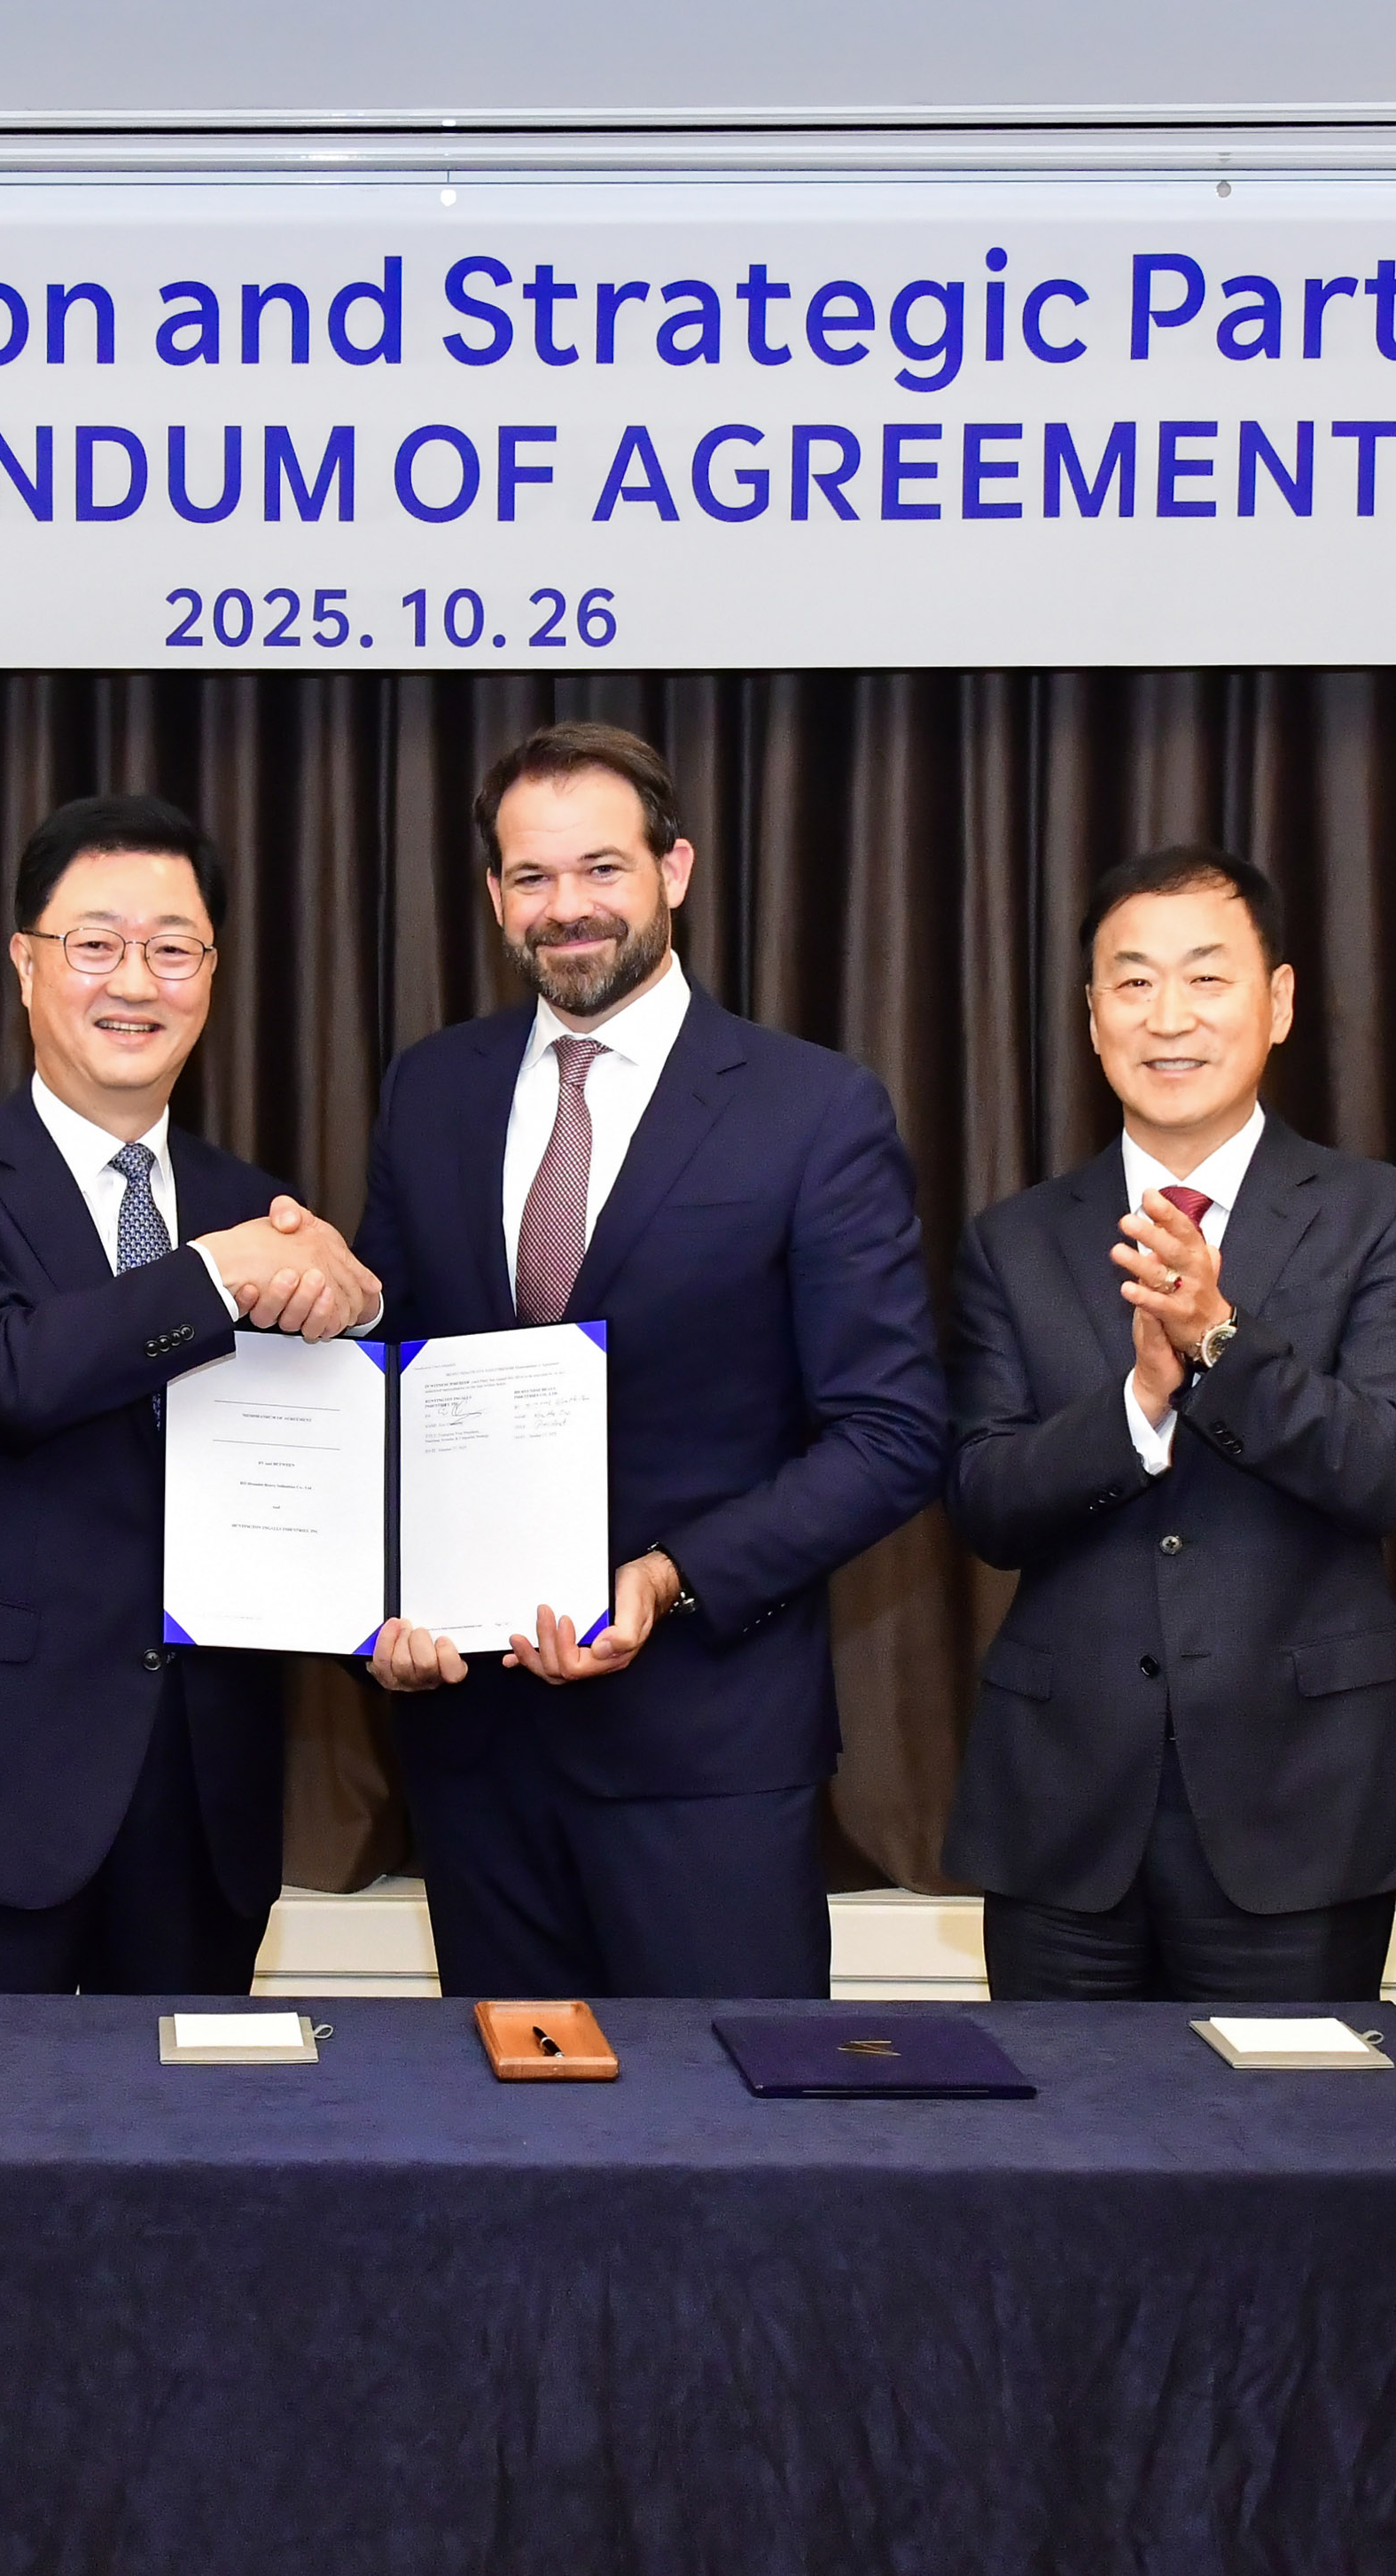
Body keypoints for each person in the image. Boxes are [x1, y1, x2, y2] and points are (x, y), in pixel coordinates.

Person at [352, 722, 944, 1999]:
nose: (566, 906)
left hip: (705, 1760)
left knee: (725, 2117)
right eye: (531, 875)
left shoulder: (811, 1108)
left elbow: (890, 1434)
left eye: (601, 868)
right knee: (503, 2111)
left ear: (674, 869)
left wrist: (671, 1577)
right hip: (473, 1752)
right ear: (494, 893)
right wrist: (373, 1600)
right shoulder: (431, 1091)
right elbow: (385, 1392)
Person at [0, 792, 377, 1993]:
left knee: (185, 2116)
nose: (135, 980)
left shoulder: (261, 1203)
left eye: (173, 948)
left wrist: (384, 1618)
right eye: (95, 944)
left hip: (201, 1800)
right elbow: (7, 1371)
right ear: (25, 963)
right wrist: (217, 1272)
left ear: (212, 975)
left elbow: (307, 1471)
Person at [941, 845, 1396, 2002]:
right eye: (1132, 982)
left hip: (1303, 1800)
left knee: (1284, 2121)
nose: (1167, 1017)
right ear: (1091, 1016)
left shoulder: (1386, 1220)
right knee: (1065, 2120)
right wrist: (1137, 1404)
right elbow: (982, 1500)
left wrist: (1218, 1342)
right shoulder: (1015, 1239)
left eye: (1204, 978)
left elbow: (1386, 1468)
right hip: (1063, 1810)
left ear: (1276, 1002)